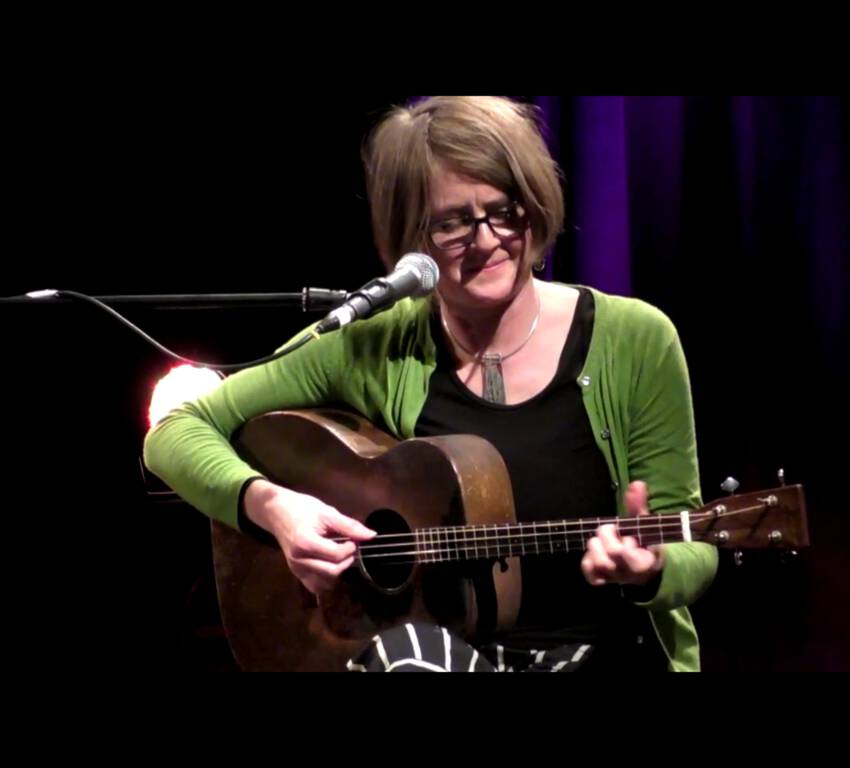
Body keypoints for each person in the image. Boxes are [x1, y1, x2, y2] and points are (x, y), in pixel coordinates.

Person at [143, 95, 718, 672]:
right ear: (410, 238)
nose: (488, 239)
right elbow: (176, 432)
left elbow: (695, 544)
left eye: (504, 210)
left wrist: (652, 568)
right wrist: (274, 508)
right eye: (452, 223)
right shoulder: (375, 344)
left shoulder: (637, 340)